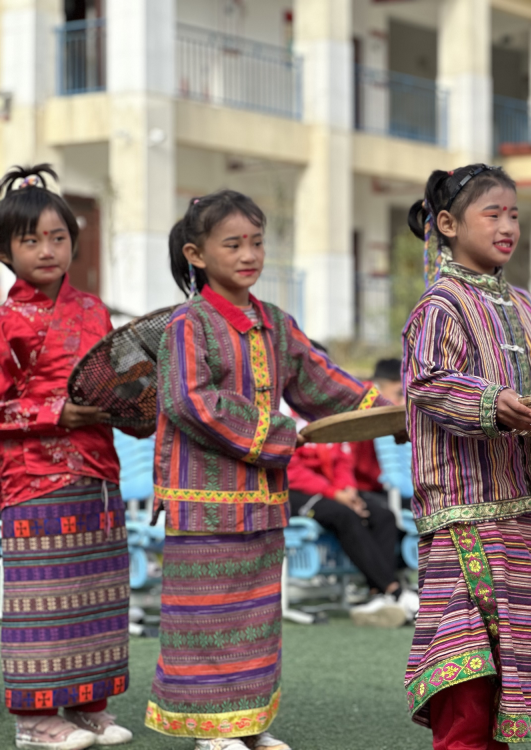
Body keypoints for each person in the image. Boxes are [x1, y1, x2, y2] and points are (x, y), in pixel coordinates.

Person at [147, 190, 392, 750]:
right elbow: (190, 401)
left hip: (261, 499)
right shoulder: (188, 325)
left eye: (256, 242)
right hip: (204, 502)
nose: (248, 253)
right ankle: (211, 733)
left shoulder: (276, 323)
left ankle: (248, 724)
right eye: (232, 244)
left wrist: (380, 413)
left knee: (255, 617)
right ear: (197, 254)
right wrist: (281, 434)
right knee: (208, 618)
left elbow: (321, 382)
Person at [402, 164, 531, 748]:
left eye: (514, 214)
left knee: (508, 648)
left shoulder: (528, 305)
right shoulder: (439, 305)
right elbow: (429, 383)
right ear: (447, 224)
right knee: (464, 649)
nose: (508, 225)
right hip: (463, 504)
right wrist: (490, 400)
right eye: (493, 213)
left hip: (522, 506)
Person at [0, 165, 140, 750]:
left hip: (98, 472)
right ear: (6, 251)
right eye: (30, 239)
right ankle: (34, 722)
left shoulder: (94, 309)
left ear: (74, 243)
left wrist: (131, 398)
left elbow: (114, 383)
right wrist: (59, 413)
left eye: (57, 237)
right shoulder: (5, 319)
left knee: (97, 594)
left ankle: (87, 707)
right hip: (33, 479)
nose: (46, 249)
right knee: (43, 595)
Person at [287, 423, 418, 627]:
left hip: (334, 491)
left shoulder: (332, 417)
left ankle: (377, 595)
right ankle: (394, 590)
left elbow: (344, 461)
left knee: (383, 515)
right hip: (295, 491)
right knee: (344, 515)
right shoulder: (288, 416)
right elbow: (293, 470)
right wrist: (336, 495)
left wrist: (348, 492)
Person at [350, 357, 407, 504]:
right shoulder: (360, 410)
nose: (403, 403)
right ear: (378, 388)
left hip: (378, 488)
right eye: (400, 394)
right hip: (358, 489)